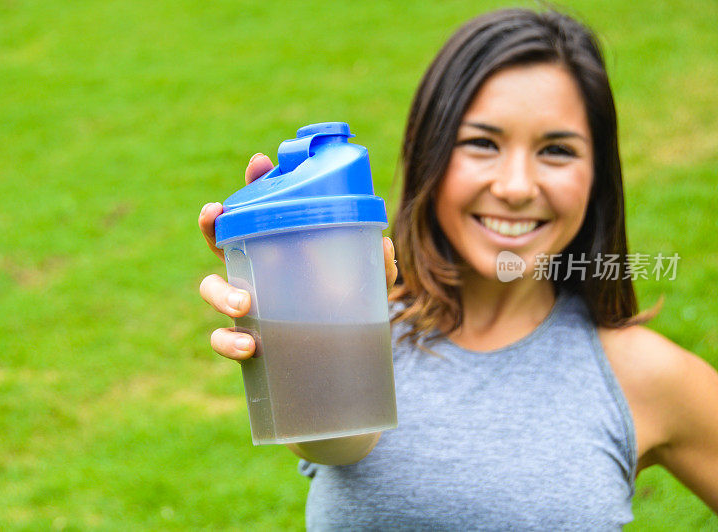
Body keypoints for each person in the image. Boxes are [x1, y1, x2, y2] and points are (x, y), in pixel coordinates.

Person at [199, 7, 718, 529]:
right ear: (431, 153)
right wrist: (292, 288)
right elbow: (331, 438)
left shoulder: (649, 377)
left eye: (556, 149)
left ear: (597, 175)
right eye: (483, 144)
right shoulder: (375, 335)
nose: (516, 186)